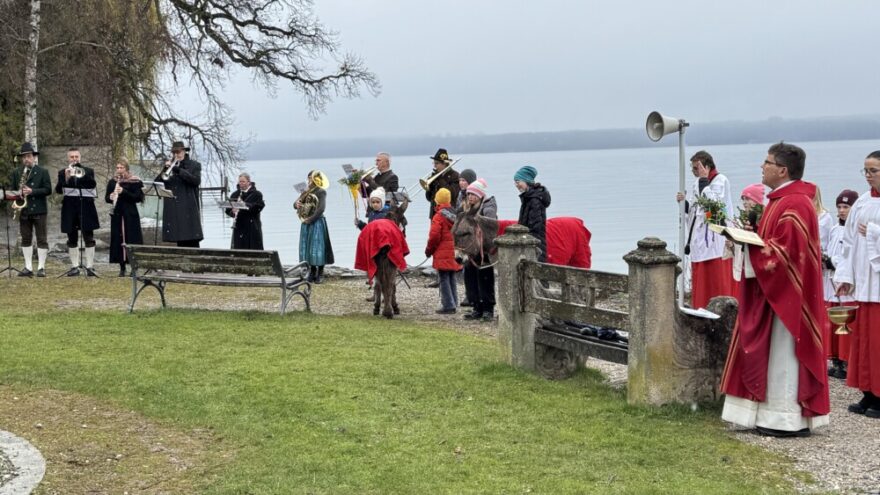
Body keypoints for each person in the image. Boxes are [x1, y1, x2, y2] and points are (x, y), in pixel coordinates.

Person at [720, 142, 830, 437]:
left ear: (782, 170)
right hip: (773, 291)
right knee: (770, 352)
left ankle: (784, 418)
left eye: (766, 163)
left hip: (789, 297)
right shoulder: (780, 200)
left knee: (784, 355)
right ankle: (767, 414)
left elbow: (787, 255)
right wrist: (748, 239)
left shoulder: (795, 204)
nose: (762, 167)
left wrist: (751, 246)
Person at [833, 150, 880, 418]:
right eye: (865, 170)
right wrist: (844, 276)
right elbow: (848, 243)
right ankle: (868, 392)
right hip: (864, 282)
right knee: (864, 343)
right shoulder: (861, 203)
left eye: (873, 170)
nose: (868, 176)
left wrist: (875, 232)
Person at [676, 150, 737, 309]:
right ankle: (699, 308)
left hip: (715, 240)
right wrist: (685, 205)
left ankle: (718, 311)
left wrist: (704, 180)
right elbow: (697, 211)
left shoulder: (720, 181)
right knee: (700, 282)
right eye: (693, 168)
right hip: (699, 241)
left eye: (696, 168)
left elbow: (714, 208)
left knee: (715, 282)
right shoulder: (697, 183)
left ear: (707, 166)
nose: (693, 172)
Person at [823, 189, 858, 379]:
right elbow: (830, 249)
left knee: (846, 321)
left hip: (845, 282)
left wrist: (832, 262)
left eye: (846, 206)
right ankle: (835, 358)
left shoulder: (854, 231)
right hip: (830, 281)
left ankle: (846, 360)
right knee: (833, 320)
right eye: (839, 207)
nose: (842, 210)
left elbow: (850, 256)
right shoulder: (836, 229)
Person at [55, 147, 100, 276]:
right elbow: (58, 190)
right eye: (72, 157)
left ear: (80, 158)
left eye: (76, 157)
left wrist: (83, 173)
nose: (74, 159)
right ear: (68, 158)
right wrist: (66, 178)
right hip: (70, 209)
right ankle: (75, 266)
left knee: (88, 237)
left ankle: (90, 266)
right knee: (72, 237)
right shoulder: (62, 172)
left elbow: (92, 185)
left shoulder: (88, 171)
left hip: (86, 207)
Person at [9, 142, 51, 277]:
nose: (26, 159)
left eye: (29, 156)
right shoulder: (16, 172)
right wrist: (17, 194)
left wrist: (32, 191)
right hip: (24, 209)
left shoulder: (43, 172)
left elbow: (48, 190)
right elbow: (12, 190)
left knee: (42, 238)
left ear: (34, 157)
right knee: (26, 238)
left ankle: (41, 268)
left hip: (39, 209)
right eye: (24, 157)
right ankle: (28, 267)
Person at [461, 179, 497, 321]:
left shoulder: (489, 206)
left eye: (473, 195)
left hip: (484, 250)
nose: (470, 197)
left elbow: (489, 224)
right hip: (470, 249)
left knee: (485, 279)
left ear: (480, 195)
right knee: (470, 278)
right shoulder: (466, 207)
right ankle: (476, 307)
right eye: (469, 194)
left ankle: (488, 309)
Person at [157, 140, 203, 247]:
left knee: (192, 239)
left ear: (184, 151)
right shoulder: (170, 167)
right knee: (180, 239)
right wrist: (165, 169)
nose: (176, 155)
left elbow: (195, 181)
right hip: (175, 208)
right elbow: (159, 182)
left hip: (188, 207)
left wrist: (178, 170)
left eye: (178, 152)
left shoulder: (194, 165)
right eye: (174, 152)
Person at [105, 158, 144, 277]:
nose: (119, 170)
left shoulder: (135, 181)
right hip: (117, 214)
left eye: (121, 168)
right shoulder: (113, 182)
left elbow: (138, 197)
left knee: (132, 239)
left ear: (126, 168)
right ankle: (122, 267)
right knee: (118, 239)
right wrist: (110, 197)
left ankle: (134, 267)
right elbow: (106, 198)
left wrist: (123, 192)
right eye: (117, 168)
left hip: (130, 214)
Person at [425, 187, 462, 314]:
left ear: (437, 201)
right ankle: (454, 302)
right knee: (451, 276)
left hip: (442, 252)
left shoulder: (438, 216)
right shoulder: (456, 214)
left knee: (443, 278)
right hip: (454, 251)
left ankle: (448, 305)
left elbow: (434, 236)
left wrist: (428, 251)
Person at [296, 170, 334, 283]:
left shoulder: (321, 191)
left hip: (316, 222)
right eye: (309, 178)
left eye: (311, 178)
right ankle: (312, 272)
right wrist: (297, 204)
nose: (309, 180)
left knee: (318, 247)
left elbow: (321, 209)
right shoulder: (306, 191)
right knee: (307, 247)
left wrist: (310, 219)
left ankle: (320, 273)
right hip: (306, 222)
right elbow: (295, 204)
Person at [514, 165, 551, 262]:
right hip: (531, 244)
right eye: (515, 182)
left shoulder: (534, 199)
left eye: (518, 182)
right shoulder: (528, 197)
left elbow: (535, 227)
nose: (516, 185)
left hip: (535, 246)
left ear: (527, 181)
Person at [731, 183, 765, 282]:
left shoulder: (763, 217)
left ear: (756, 200)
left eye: (747, 199)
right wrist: (732, 243)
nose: (744, 202)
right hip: (746, 265)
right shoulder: (745, 217)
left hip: (758, 265)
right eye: (743, 199)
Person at [226, 173, 265, 250]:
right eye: (240, 182)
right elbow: (228, 210)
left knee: (253, 248)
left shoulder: (257, 194)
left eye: (243, 181)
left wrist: (244, 205)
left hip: (252, 226)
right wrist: (232, 212)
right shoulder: (235, 194)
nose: (241, 183)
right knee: (238, 248)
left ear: (249, 182)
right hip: (239, 226)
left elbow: (258, 207)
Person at [424, 148, 460, 219]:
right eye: (434, 163)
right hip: (434, 213)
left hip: (449, 214)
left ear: (444, 163)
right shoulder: (435, 176)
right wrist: (429, 187)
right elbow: (429, 198)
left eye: (436, 163)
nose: (434, 166)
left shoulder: (455, 175)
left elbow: (453, 194)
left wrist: (440, 179)